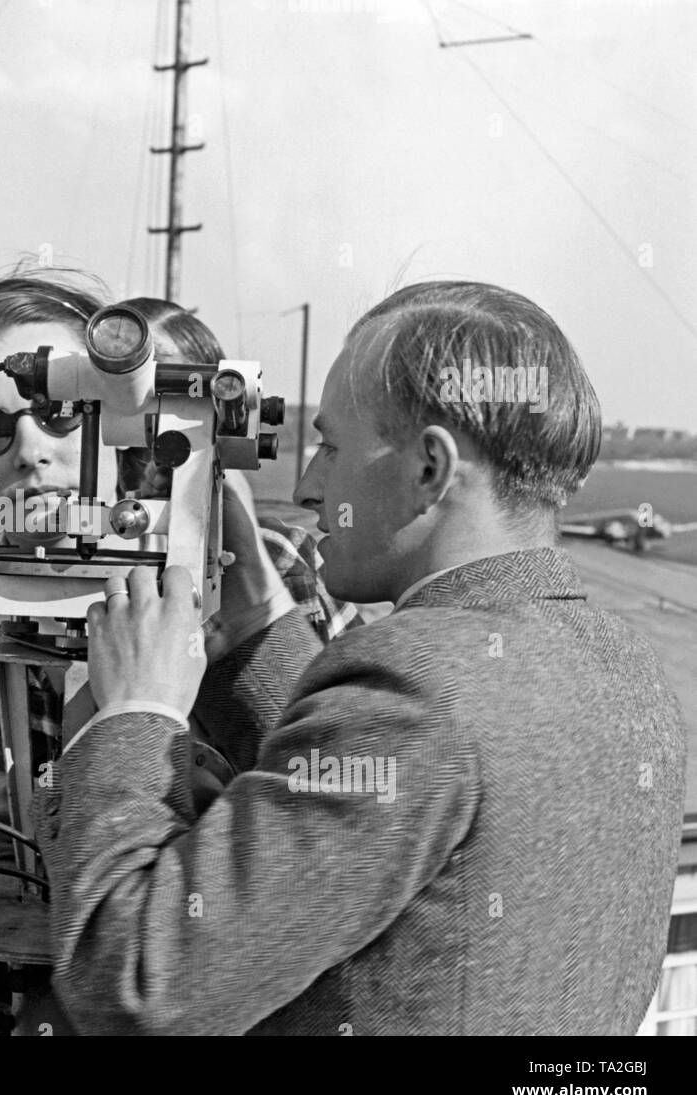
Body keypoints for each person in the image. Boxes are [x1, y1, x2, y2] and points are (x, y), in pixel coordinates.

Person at [34, 280, 688, 1035]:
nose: (310, 484)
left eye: (333, 445)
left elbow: (137, 985)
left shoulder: (413, 686)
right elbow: (388, 820)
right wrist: (255, 623)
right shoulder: (628, 673)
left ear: (429, 470)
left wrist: (132, 714)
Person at [0, 274, 358, 1032]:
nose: (30, 453)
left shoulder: (268, 580)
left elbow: (340, 832)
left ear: (131, 421)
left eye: (63, 416)